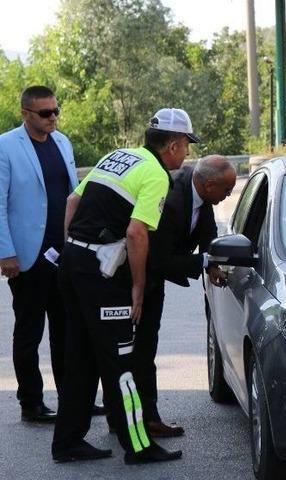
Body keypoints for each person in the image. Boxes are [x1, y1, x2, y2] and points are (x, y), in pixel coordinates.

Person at [52, 108, 198, 463]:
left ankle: (68, 442)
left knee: (81, 358)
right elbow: (136, 232)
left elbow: (73, 201)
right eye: (187, 146)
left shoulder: (118, 157)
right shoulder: (156, 174)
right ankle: (138, 445)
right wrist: (137, 286)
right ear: (174, 145)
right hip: (102, 276)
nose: (188, 153)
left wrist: (74, 249)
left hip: (72, 263)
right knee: (122, 362)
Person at [0, 86, 107, 422]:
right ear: (26, 113)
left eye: (55, 111)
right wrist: (6, 254)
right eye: (45, 113)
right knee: (30, 331)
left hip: (65, 254)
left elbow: (74, 194)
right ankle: (31, 402)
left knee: (70, 331)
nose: (53, 118)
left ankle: (74, 398)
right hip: (27, 257)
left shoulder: (63, 142)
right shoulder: (5, 147)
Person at [135, 155, 236, 437]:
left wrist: (213, 262)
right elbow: (160, 260)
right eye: (226, 190)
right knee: (139, 350)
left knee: (144, 347)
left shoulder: (202, 193)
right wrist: (204, 262)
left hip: (152, 274)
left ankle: (134, 415)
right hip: (136, 279)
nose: (228, 195)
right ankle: (143, 419)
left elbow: (208, 232)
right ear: (208, 184)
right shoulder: (171, 199)